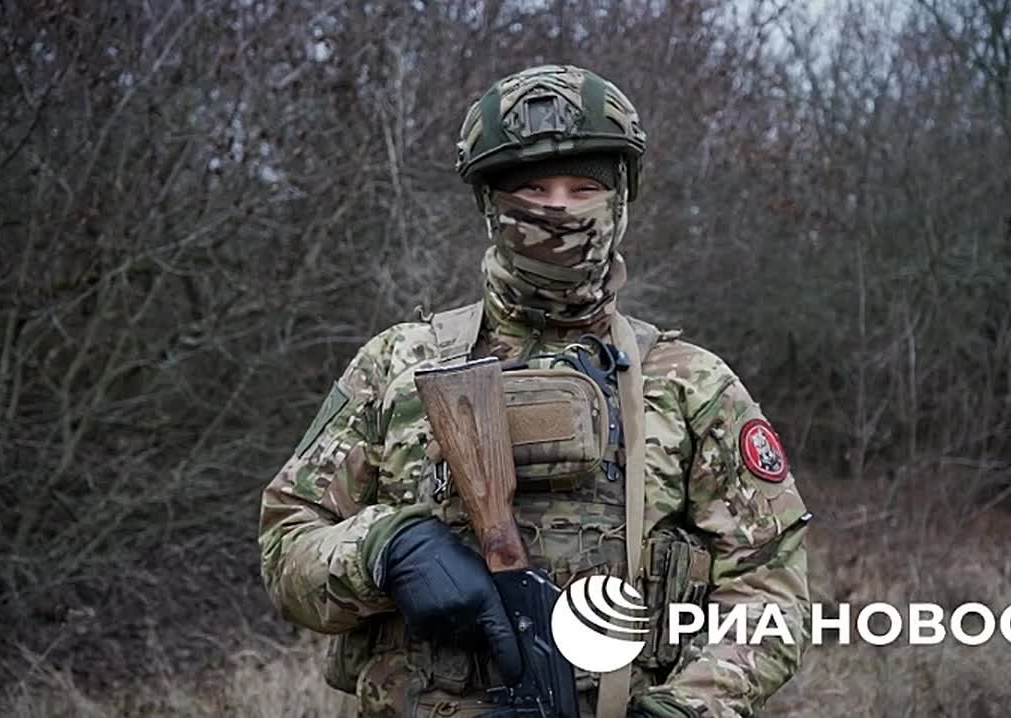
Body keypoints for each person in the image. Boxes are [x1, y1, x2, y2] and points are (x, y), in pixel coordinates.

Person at [258, 64, 812, 718]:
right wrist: (385, 549)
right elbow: (286, 546)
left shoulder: (691, 384)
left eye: (584, 187)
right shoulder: (398, 366)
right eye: (531, 187)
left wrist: (684, 709)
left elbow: (771, 594)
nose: (558, 209)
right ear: (490, 202)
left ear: (620, 202)